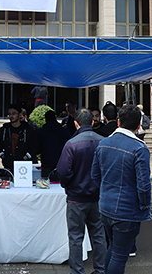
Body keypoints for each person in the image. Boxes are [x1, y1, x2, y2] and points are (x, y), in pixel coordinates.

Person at [92, 104, 151, 274]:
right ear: (139, 125)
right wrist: (144, 205)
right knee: (119, 255)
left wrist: (106, 191)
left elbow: (95, 175)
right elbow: (144, 185)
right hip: (127, 211)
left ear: (118, 121)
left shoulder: (103, 143)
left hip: (106, 206)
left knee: (114, 248)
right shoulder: (139, 148)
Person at [57, 108, 106, 274]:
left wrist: (68, 185)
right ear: (92, 122)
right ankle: (100, 270)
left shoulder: (71, 144)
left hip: (76, 197)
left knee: (76, 237)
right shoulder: (103, 142)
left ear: (76, 123)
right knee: (98, 235)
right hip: (98, 197)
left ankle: (77, 271)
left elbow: (63, 171)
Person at [0, 104, 37, 172]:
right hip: (8, 164)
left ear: (19, 115)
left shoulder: (28, 130)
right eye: (9, 114)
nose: (11, 116)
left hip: (24, 165)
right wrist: (3, 156)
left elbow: (34, 146)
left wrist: (26, 157)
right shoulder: (4, 129)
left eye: (14, 113)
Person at [37, 110, 71, 177]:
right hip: (61, 162)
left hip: (46, 162)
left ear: (45, 120)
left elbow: (38, 148)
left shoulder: (41, 132)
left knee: (46, 181)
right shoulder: (64, 131)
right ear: (55, 119)